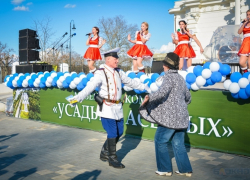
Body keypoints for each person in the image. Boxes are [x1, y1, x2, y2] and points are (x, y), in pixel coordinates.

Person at [71, 47, 150, 169]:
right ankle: (112, 159)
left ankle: (104, 152)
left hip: (117, 107)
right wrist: (77, 98)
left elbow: (130, 82)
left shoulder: (119, 72)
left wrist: (144, 87)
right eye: (115, 59)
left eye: (117, 59)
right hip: (107, 108)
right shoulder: (100, 72)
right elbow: (90, 87)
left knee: (119, 132)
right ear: (108, 60)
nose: (117, 61)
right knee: (112, 133)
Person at [139, 52, 193, 177]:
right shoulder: (180, 78)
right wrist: (179, 105)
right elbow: (188, 98)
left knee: (160, 140)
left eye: (164, 64)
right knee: (179, 144)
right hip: (182, 118)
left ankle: (164, 169)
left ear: (166, 65)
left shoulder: (168, 77)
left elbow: (162, 93)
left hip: (169, 118)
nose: (163, 66)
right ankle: (185, 170)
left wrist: (149, 98)